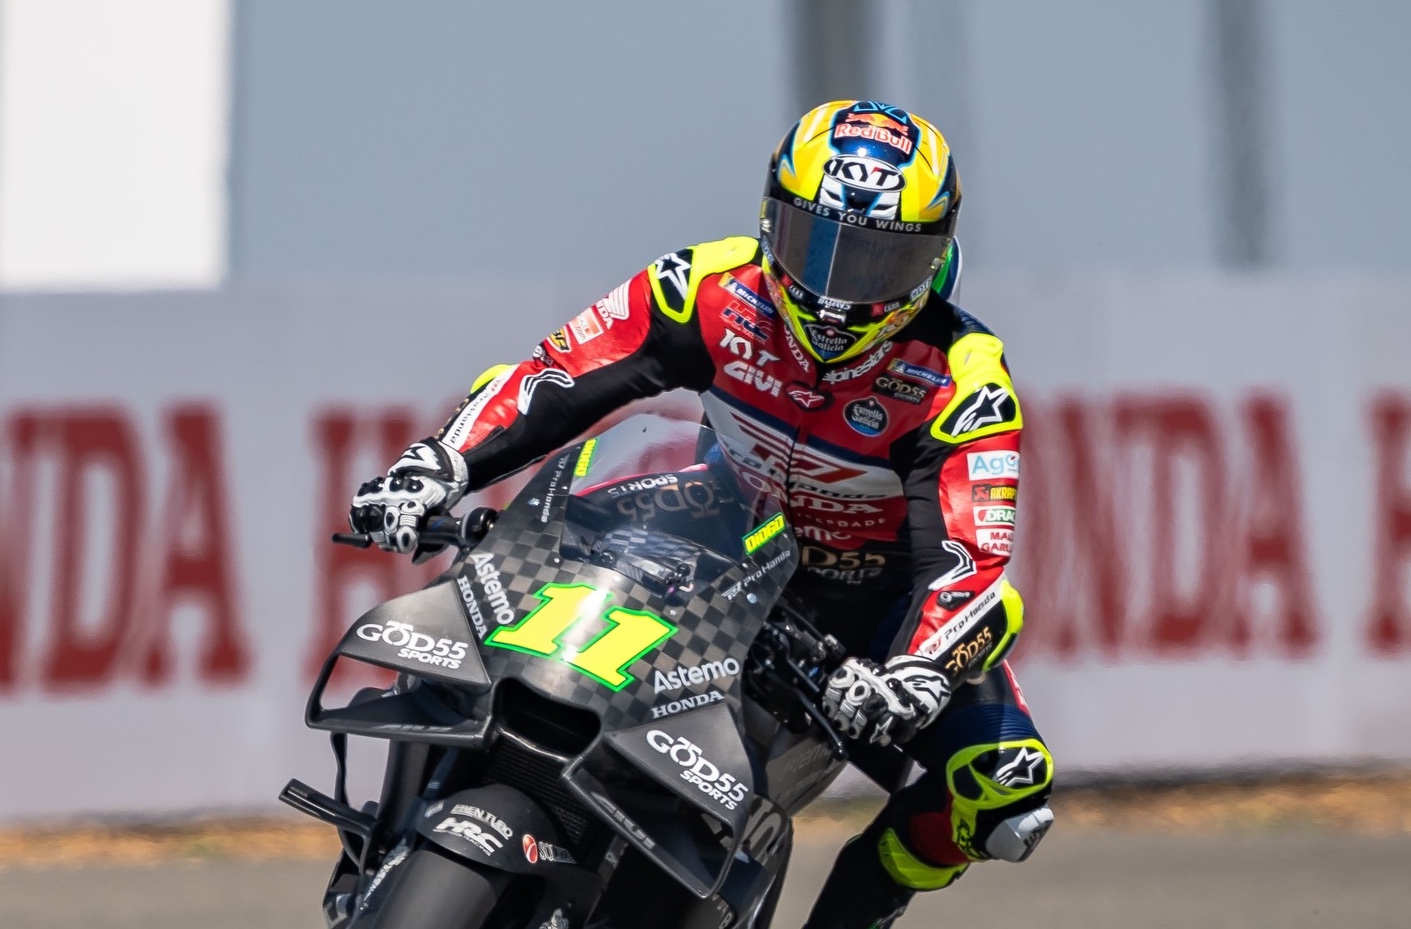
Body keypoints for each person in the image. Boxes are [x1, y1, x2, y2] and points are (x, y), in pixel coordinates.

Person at [349, 100, 1053, 929]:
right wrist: (438, 465)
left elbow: (969, 561)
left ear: (933, 258)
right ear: (770, 220)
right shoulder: (705, 285)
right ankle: (386, 839)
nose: (835, 291)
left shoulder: (962, 379)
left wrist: (915, 673)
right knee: (488, 585)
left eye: (873, 259)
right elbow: (558, 373)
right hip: (714, 535)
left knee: (1004, 790)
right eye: (815, 244)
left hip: (865, 609)